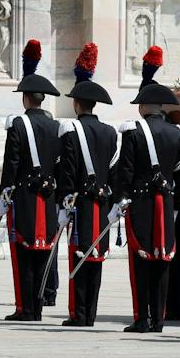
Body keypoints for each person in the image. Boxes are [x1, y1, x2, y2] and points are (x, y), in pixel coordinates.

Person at [112, 50, 180, 334]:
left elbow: (126, 172)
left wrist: (119, 199)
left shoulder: (133, 132)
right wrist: (178, 203)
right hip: (166, 204)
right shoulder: (177, 134)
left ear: (144, 106)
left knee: (141, 261)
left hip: (141, 203)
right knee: (163, 260)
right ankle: (158, 318)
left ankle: (141, 318)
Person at [0, 40, 62, 322]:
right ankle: (39, 304)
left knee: (23, 253)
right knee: (43, 251)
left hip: (23, 196)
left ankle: (25, 308)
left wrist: (3, 194)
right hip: (47, 197)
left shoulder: (17, 124)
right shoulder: (56, 126)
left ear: (25, 99)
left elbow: (11, 163)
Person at [54, 44, 117, 328]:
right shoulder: (109, 132)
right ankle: (90, 311)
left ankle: (79, 313)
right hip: (102, 203)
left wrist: (62, 204)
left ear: (78, 104)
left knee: (78, 257)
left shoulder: (71, 130)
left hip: (79, 204)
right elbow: (113, 170)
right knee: (96, 257)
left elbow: (67, 172)